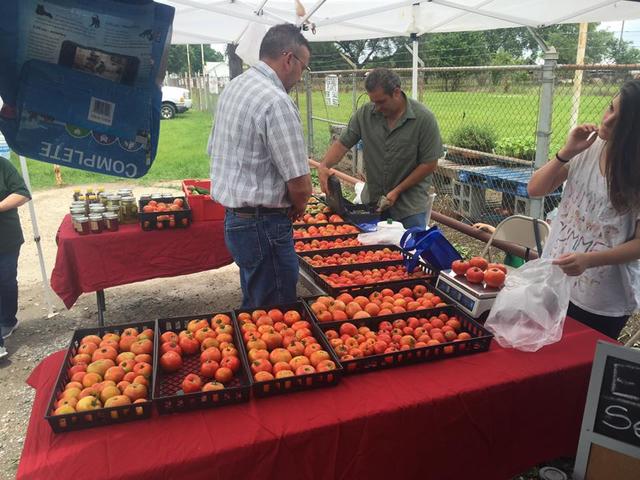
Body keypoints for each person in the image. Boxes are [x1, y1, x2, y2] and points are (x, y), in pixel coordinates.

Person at [208, 24, 312, 308]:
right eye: (303, 67)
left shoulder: (235, 87)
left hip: (237, 220)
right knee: (275, 312)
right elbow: (300, 184)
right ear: (288, 59)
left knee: (256, 304)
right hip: (264, 224)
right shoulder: (276, 101)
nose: (301, 77)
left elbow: (214, 149)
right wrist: (299, 205)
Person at [528, 79, 640, 340]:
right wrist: (566, 151)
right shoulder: (587, 148)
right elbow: (535, 189)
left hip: (600, 299)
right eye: (610, 109)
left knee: (579, 372)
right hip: (555, 278)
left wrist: (589, 260)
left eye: (621, 121)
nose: (608, 121)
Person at [318, 68, 443, 230]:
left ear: (396, 92)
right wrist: (324, 165)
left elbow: (429, 164)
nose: (376, 107)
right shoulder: (365, 114)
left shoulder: (424, 119)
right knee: (375, 253)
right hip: (373, 203)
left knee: (409, 250)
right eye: (373, 101)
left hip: (409, 208)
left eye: (381, 101)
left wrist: (397, 190)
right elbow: (343, 143)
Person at [0, 156, 31, 359]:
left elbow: (22, 193)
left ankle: (8, 320)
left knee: (6, 282)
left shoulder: (2, 165)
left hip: (6, 239)